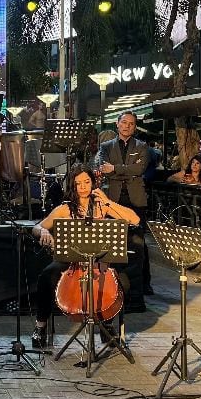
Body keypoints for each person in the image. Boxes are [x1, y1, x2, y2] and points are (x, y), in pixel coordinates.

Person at [29, 167, 139, 348]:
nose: (83, 187)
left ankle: (106, 322)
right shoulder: (64, 209)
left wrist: (107, 201)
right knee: (46, 277)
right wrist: (42, 231)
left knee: (124, 282)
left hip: (99, 260)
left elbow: (134, 219)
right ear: (73, 186)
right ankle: (40, 325)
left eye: (86, 182)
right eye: (78, 183)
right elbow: (37, 226)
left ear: (93, 183)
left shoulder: (102, 206)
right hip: (71, 261)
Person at [94, 111, 151, 309]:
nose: (127, 126)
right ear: (117, 124)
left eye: (131, 124)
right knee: (114, 244)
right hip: (113, 199)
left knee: (138, 244)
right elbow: (102, 168)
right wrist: (127, 170)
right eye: (124, 122)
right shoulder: (105, 146)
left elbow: (139, 169)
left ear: (135, 127)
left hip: (136, 201)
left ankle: (141, 288)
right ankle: (112, 287)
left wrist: (116, 170)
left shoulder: (143, 146)